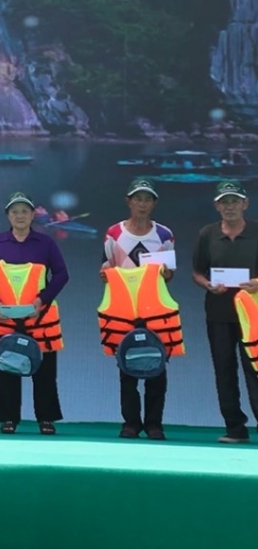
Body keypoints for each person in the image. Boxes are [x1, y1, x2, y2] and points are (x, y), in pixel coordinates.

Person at [0, 192, 69, 435]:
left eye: (24, 211)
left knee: (45, 371)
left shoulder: (46, 243)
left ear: (32, 215)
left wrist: (42, 300)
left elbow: (61, 275)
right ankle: (9, 419)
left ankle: (45, 419)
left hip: (39, 316)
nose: (20, 216)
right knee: (7, 368)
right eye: (15, 211)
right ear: (8, 215)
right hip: (4, 316)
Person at [100, 179, 177, 440]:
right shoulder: (114, 233)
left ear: (154, 203)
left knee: (157, 370)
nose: (142, 204)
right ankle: (131, 423)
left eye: (147, 199)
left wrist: (166, 273)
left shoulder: (164, 234)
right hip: (123, 310)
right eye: (138, 198)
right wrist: (105, 273)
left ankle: (154, 424)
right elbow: (106, 266)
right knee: (127, 369)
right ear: (128, 201)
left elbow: (170, 274)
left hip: (154, 307)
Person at [191, 180, 258, 443]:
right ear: (217, 206)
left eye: (234, 201)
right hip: (219, 313)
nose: (229, 206)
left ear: (245, 204)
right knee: (224, 370)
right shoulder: (207, 234)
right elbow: (197, 272)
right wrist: (207, 284)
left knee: (255, 369)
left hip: (253, 316)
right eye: (224, 202)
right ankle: (235, 428)